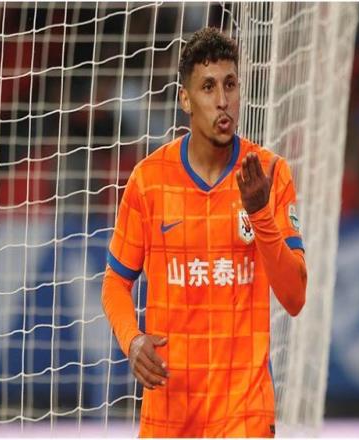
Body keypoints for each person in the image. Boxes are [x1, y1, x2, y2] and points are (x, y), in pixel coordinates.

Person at [102, 27, 307, 438]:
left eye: (230, 84)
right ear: (185, 99)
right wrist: (132, 340)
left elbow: (295, 297)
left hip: (244, 412)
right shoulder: (149, 181)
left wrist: (260, 214)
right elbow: (115, 284)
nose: (222, 100)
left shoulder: (269, 173)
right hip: (171, 411)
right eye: (208, 87)